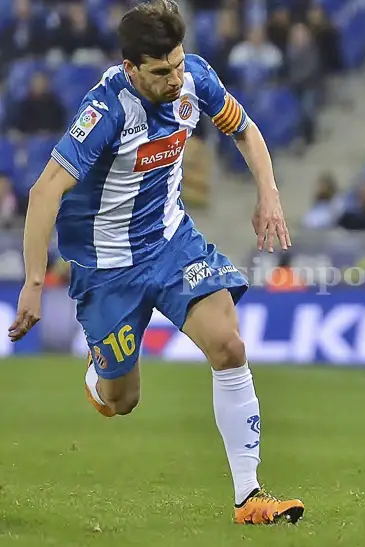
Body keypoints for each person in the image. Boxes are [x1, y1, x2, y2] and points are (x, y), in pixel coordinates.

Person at [7, 0, 304, 527]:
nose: (175, 78)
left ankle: (249, 496)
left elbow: (245, 130)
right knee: (121, 401)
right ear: (131, 68)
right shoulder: (105, 111)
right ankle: (101, 373)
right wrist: (34, 282)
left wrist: (269, 195)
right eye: (162, 71)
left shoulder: (195, 79)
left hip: (171, 244)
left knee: (229, 346)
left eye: (179, 64)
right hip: (107, 268)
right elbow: (45, 190)